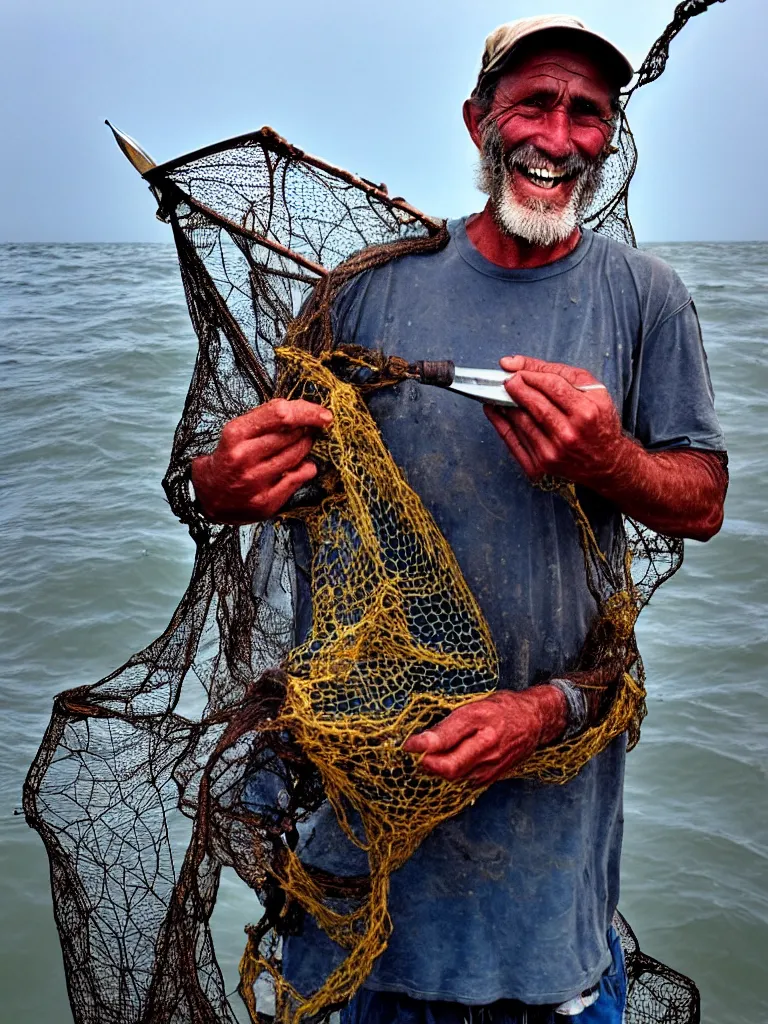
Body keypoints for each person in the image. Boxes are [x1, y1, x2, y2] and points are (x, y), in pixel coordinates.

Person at [191, 15, 727, 1024]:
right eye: (534, 104)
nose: (558, 137)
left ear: (609, 138)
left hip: (547, 875)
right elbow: (255, 481)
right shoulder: (363, 293)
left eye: (587, 114)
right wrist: (223, 482)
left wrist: (608, 460)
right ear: (478, 118)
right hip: (356, 860)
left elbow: (701, 499)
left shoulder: (647, 299)